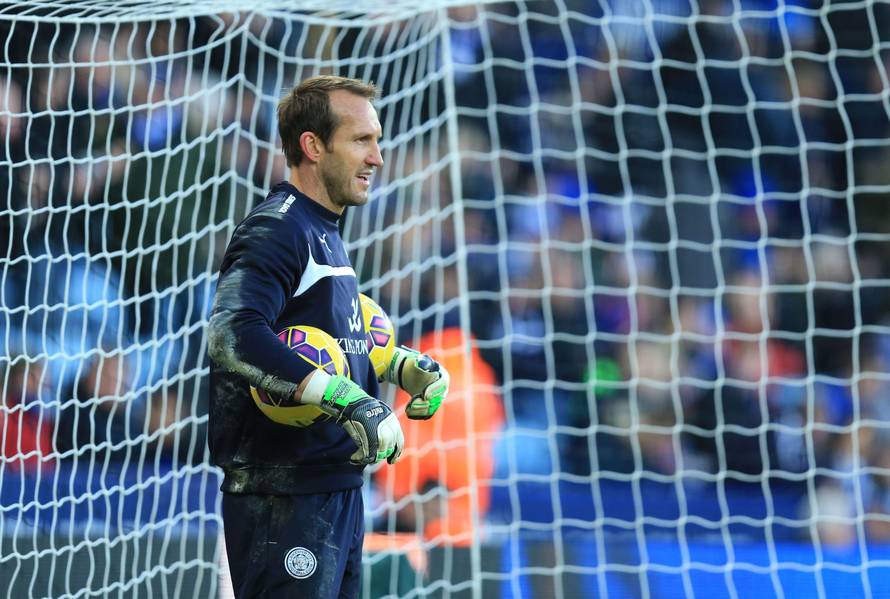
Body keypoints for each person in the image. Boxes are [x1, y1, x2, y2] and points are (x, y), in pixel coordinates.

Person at [207, 75, 449, 599]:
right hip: (283, 495)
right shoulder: (279, 228)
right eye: (361, 140)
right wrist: (346, 399)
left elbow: (328, 342)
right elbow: (233, 334)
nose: (377, 157)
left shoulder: (324, 230)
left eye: (377, 140)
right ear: (312, 146)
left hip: (334, 489)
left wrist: (401, 366)